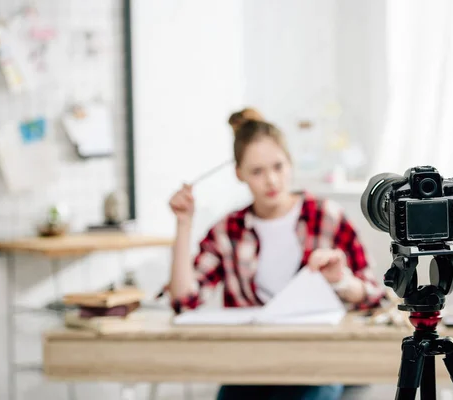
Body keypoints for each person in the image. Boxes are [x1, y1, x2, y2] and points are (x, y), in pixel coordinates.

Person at [165, 107, 385, 400]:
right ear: (239, 174)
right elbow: (184, 301)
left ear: (290, 164)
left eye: (278, 167)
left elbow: (373, 296)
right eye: (257, 171)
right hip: (251, 365)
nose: (271, 180)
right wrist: (183, 224)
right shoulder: (227, 230)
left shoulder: (328, 217)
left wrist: (341, 281)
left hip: (316, 362)